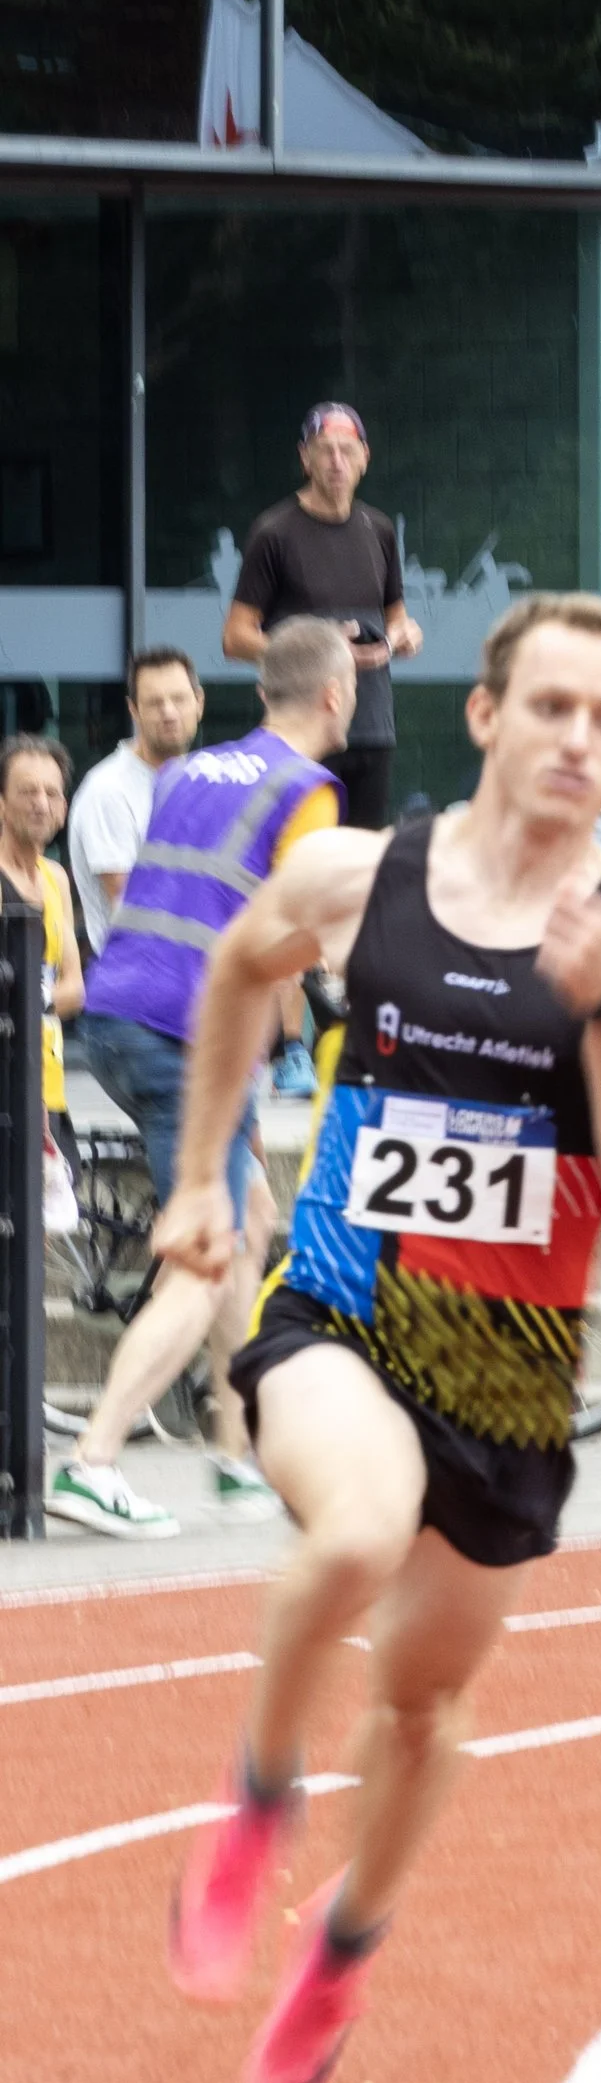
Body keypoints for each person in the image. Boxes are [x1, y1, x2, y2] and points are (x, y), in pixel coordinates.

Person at [154, 593, 601, 2083]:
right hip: (340, 1305)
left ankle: (341, 1949)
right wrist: (203, 1176)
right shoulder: (353, 872)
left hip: (509, 1376)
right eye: (554, 708)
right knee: (353, 1521)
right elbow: (234, 974)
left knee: (420, 1708)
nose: (581, 741)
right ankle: (260, 1791)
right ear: (486, 715)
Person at [45, 621, 354, 1540]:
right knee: (202, 1254)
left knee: (248, 1217)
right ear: (337, 695)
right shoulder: (308, 793)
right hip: (188, 1034)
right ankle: (94, 1459)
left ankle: (234, 1452)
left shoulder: (187, 772)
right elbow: (289, 940)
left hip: (116, 1014)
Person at [223, 402, 421, 833]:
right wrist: (318, 650)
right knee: (298, 860)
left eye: (347, 450)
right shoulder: (274, 531)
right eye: (324, 450)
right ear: (304, 458)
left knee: (359, 867)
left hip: (370, 723)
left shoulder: (379, 529)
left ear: (365, 457)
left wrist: (401, 637)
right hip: (302, 729)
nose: (336, 462)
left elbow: (398, 617)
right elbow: (236, 638)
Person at [68, 645, 205, 951]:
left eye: (178, 699)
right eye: (155, 702)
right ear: (134, 710)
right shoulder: (108, 790)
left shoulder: (200, 781)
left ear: (199, 703)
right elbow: (135, 910)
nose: (168, 712)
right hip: (140, 985)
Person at [0, 736, 82, 1235]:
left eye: (52, 793)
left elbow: (76, 987)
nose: (41, 803)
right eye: (27, 791)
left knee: (36, 1239)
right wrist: (44, 997)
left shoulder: (55, 879)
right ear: (1, 802)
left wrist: (34, 997)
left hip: (45, 1081)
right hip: (6, 1086)